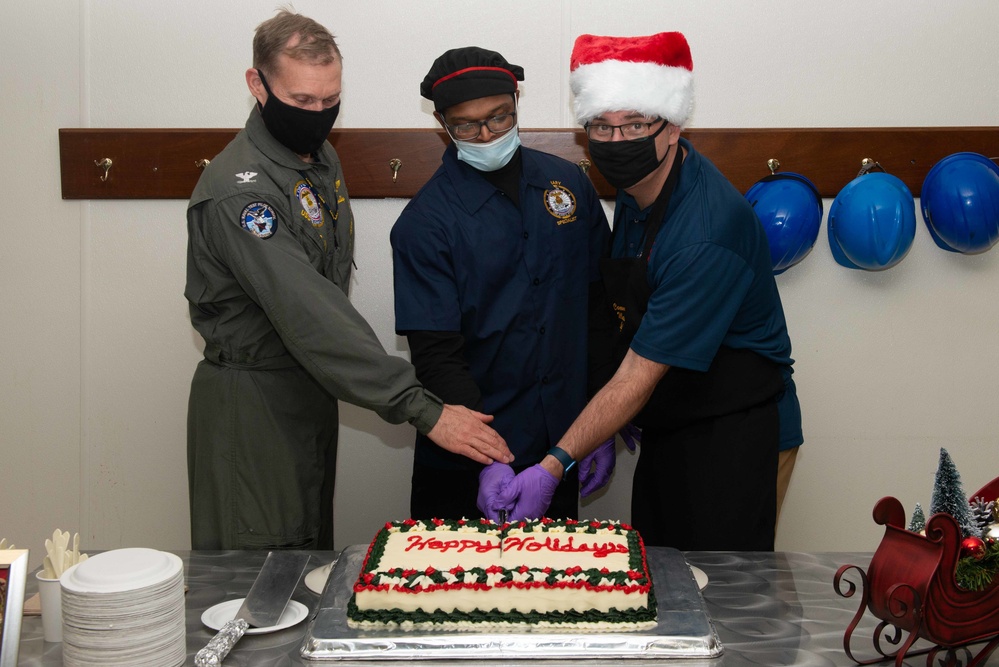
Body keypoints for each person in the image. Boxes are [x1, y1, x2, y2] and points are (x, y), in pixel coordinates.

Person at [184, 11, 511, 551]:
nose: (318, 114)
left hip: (311, 388)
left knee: (304, 553)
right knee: (256, 579)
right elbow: (312, 315)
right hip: (256, 401)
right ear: (256, 85)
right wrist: (422, 408)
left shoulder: (316, 160)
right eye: (302, 101)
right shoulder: (242, 193)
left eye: (329, 100)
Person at [483, 31, 802, 551]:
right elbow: (624, 315)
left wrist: (554, 463)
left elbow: (638, 373)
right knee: (665, 578)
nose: (616, 142)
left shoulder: (705, 231)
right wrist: (605, 424)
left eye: (634, 124)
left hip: (735, 428)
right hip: (672, 417)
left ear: (672, 126)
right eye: (601, 127)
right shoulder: (639, 190)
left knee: (726, 596)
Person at [390, 47, 610, 521]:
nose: (486, 134)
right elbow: (435, 355)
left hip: (562, 445)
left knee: (556, 591)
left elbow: (597, 309)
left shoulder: (568, 184)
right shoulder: (425, 224)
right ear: (442, 125)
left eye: (499, 117)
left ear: (516, 103)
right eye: (466, 125)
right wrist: (488, 457)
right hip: (466, 455)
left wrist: (598, 425)